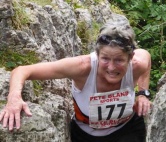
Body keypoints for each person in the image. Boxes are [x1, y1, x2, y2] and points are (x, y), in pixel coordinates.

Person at [0, 20, 151, 142]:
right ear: (97, 55)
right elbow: (22, 70)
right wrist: (14, 98)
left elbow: (147, 58)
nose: (111, 68)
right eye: (105, 59)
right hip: (86, 135)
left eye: (119, 60)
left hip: (127, 129)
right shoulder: (82, 67)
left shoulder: (137, 65)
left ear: (130, 58)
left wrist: (143, 93)